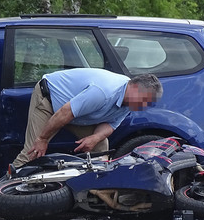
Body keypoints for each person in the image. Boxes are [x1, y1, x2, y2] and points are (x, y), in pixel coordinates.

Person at [11, 68, 162, 168]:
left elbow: (110, 125)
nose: (144, 106)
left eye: (148, 103)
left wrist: (95, 138)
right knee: (34, 151)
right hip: (50, 101)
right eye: (144, 100)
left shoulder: (129, 102)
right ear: (134, 88)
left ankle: (94, 189)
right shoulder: (103, 92)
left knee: (101, 145)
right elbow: (65, 112)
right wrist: (43, 139)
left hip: (76, 112)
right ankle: (2, 195)